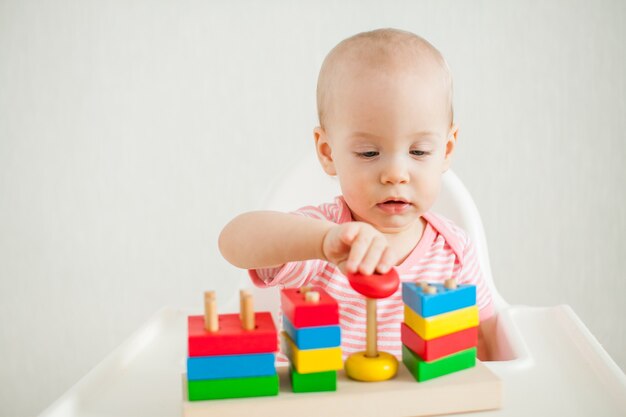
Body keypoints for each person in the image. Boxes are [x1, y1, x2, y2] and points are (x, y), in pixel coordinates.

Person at [219, 28, 496, 360]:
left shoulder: (453, 252)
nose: (396, 173)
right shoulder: (322, 236)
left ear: (447, 149)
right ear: (327, 152)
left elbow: (491, 342)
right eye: (368, 153)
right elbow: (234, 241)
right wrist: (322, 242)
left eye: (419, 151)